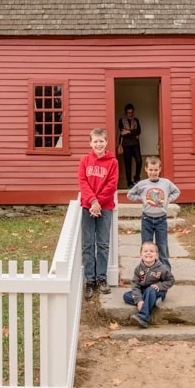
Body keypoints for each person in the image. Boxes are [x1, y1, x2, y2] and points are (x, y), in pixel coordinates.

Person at [78, 127, 119, 300]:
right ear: (90, 143)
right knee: (88, 244)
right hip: (88, 207)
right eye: (95, 141)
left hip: (105, 207)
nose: (98, 144)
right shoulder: (85, 160)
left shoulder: (113, 162)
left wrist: (99, 203)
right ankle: (90, 279)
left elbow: (112, 184)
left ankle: (102, 278)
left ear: (106, 142)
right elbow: (83, 182)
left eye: (101, 141)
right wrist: (93, 202)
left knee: (102, 244)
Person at [126, 156, 180, 271]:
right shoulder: (142, 184)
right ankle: (146, 271)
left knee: (162, 245)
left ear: (160, 169)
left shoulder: (166, 183)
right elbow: (130, 194)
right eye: (151, 170)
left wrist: (168, 199)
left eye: (155, 170)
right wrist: (141, 198)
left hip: (161, 219)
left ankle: (165, 271)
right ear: (146, 169)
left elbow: (176, 191)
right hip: (147, 219)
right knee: (147, 245)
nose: (153, 172)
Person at [124, 241, 175, 328]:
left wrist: (160, 286)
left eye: (151, 251)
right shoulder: (138, 268)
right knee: (126, 296)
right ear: (141, 254)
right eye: (145, 251)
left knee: (150, 290)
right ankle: (151, 302)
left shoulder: (162, 268)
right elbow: (135, 285)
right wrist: (139, 300)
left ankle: (143, 317)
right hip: (143, 291)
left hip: (156, 291)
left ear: (157, 255)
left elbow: (171, 280)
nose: (148, 253)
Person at [117, 103, 142, 189]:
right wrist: (132, 132)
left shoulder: (136, 120)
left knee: (139, 160)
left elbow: (138, 131)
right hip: (126, 145)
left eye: (131, 112)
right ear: (125, 113)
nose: (130, 114)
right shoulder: (121, 120)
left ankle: (137, 177)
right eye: (128, 112)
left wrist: (128, 132)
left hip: (135, 144)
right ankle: (129, 183)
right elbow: (122, 133)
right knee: (128, 164)